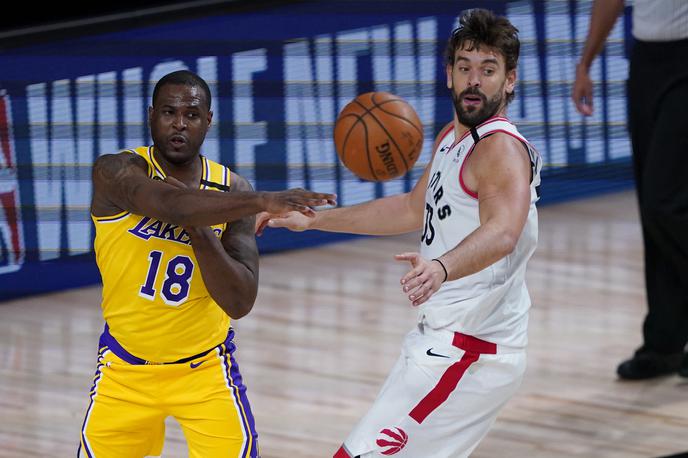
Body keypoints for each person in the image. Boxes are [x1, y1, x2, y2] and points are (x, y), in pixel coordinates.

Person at [258, 9, 540, 457]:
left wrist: (441, 268)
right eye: (465, 68)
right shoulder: (453, 136)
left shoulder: (500, 148)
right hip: (441, 343)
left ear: (509, 81)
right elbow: (411, 208)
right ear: (448, 74)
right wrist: (315, 221)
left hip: (472, 353)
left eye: (488, 70)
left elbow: (503, 232)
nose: (474, 80)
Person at [77, 70, 336, 458]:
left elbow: (240, 301)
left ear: (209, 121)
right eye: (168, 112)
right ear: (151, 115)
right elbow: (171, 204)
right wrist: (263, 201)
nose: (179, 123)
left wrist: (200, 233)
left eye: (192, 114)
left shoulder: (233, 191)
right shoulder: (116, 171)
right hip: (124, 371)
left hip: (204, 373)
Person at [572, 0, 688, 380]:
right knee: (652, 209)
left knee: (665, 200)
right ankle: (664, 343)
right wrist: (585, 63)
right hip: (647, 60)